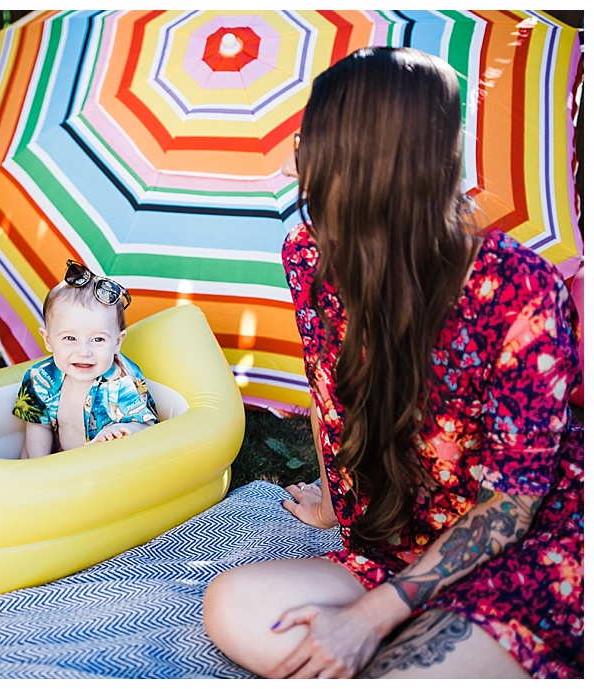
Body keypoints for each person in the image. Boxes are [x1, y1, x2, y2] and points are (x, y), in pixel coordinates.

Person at [202, 47, 583, 679]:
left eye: (312, 139)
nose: (299, 157)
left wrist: (369, 618)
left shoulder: (518, 287)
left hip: (521, 546)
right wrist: (334, 501)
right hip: (394, 544)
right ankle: (445, 644)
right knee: (234, 606)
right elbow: (327, 390)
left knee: (395, 673)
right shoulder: (308, 256)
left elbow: (515, 500)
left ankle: (444, 642)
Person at [12, 260, 158, 457]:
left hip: (105, 470)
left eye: (98, 339)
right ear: (48, 340)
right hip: (62, 460)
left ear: (117, 342)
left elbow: (148, 426)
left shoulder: (121, 382)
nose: (84, 351)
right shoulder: (41, 377)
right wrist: (38, 468)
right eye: (70, 338)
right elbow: (39, 427)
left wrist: (124, 431)